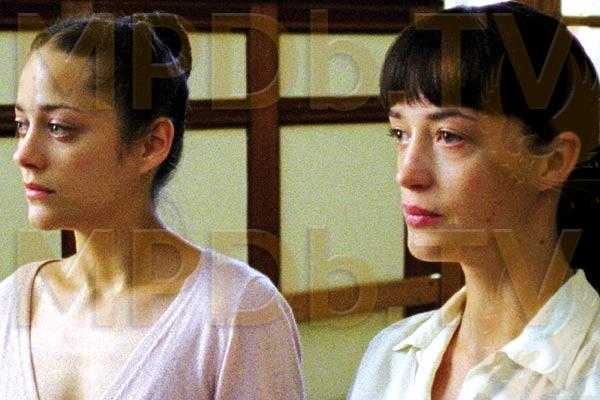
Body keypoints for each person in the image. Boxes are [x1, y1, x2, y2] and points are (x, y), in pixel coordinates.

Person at [2, 13, 304, 399]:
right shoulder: (11, 305)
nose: (23, 155)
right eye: (22, 125)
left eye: (59, 127)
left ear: (151, 144)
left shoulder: (237, 313)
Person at [349, 2, 599, 399]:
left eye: (449, 136)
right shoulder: (390, 356)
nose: (407, 175)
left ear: (552, 161)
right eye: (400, 134)